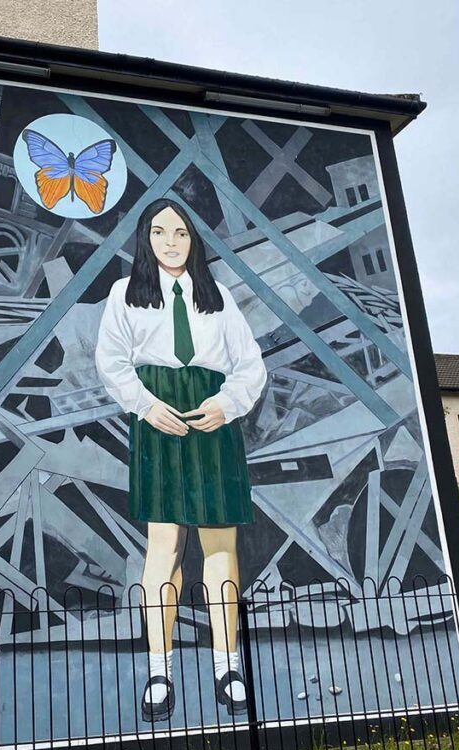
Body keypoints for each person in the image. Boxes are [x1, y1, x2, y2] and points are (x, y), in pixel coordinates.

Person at [95, 198, 267, 722]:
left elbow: (250, 365)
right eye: (160, 232)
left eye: (181, 233)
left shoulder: (219, 297)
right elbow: (111, 360)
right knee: (164, 545)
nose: (171, 242)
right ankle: (159, 671)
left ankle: (227, 666)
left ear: (194, 241)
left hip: (213, 419)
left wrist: (226, 405)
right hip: (159, 419)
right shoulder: (125, 294)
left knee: (219, 545)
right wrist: (146, 407)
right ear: (145, 239)